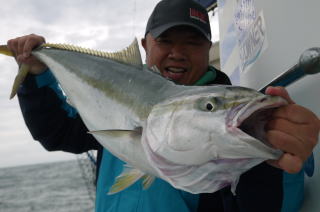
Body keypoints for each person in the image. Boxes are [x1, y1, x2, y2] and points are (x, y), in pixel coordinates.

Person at [7, 0, 320, 211]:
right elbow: (56, 133)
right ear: (146, 45)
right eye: (166, 41)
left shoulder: (231, 124)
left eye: (193, 42)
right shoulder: (116, 102)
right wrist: (37, 76)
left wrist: (273, 157)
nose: (178, 53)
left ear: (207, 48)